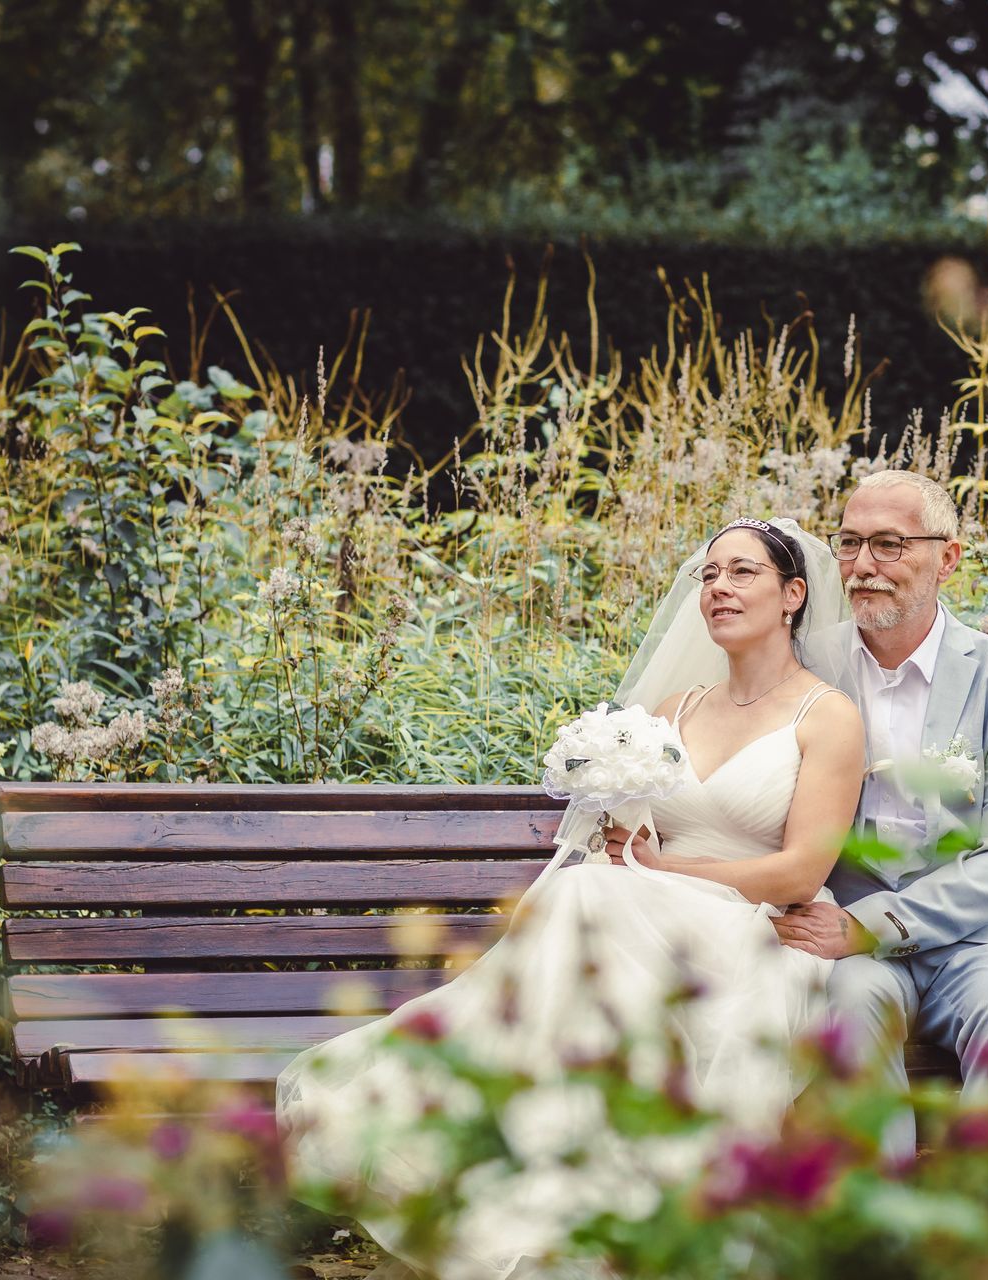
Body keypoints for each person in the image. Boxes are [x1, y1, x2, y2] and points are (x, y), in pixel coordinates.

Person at [277, 517, 864, 1280]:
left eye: (743, 573)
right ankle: (543, 1185)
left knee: (591, 898)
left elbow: (797, 876)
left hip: (754, 940)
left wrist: (661, 870)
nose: (718, 588)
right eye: (708, 574)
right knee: (587, 889)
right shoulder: (673, 711)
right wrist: (624, 834)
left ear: (793, 594)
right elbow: (623, 838)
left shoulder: (828, 716)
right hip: (641, 920)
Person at [777, 471, 988, 1159]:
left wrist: (868, 926)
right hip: (852, 945)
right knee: (849, 1003)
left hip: (980, 939)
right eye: (848, 544)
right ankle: (882, 1236)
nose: (863, 566)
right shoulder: (804, 667)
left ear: (949, 558)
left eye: (889, 544)